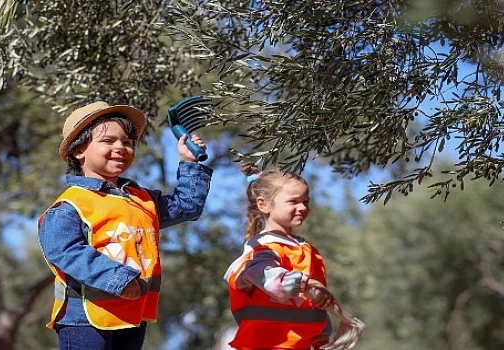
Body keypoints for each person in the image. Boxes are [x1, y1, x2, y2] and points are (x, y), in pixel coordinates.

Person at [37, 101, 212, 350]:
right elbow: (64, 251)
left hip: (132, 315)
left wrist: (190, 163)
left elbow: (187, 207)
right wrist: (119, 280)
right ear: (79, 151)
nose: (121, 147)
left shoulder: (143, 200)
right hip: (84, 320)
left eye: (128, 142)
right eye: (108, 140)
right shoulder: (70, 205)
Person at [223, 164, 336, 350]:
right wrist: (299, 283)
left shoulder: (309, 252)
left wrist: (322, 341)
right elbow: (261, 274)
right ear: (264, 204)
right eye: (293, 201)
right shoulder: (263, 247)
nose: (302, 207)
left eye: (306, 202)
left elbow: (315, 309)